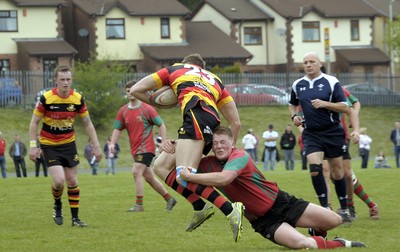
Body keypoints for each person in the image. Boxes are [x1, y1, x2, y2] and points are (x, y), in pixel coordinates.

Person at [178, 126, 366, 249]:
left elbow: (224, 178)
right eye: (215, 144)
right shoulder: (206, 164)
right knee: (303, 243)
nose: (219, 147)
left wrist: (189, 176)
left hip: (282, 202)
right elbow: (171, 164)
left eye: (223, 142)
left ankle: (316, 230)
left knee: (335, 220)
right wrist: (176, 144)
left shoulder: (240, 155)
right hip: (263, 220)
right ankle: (339, 243)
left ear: (232, 143)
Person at [130, 53, 243, 242]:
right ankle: (200, 206)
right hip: (208, 118)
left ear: (185, 63)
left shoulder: (175, 69)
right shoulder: (215, 80)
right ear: (202, 67)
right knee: (161, 166)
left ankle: (231, 209)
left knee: (184, 174)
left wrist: (157, 102)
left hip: (195, 113)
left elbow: (136, 89)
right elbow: (236, 123)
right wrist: (229, 150)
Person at [29, 65, 103, 227]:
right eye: (62, 79)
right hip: (49, 144)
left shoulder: (77, 99)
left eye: (68, 79)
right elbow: (34, 122)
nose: (65, 83)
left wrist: (96, 146)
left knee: (72, 181)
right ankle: (57, 204)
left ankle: (75, 219)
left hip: (68, 144)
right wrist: (33, 145)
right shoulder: (46, 98)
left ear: (72, 81)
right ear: (55, 80)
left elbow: (87, 123)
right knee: (59, 180)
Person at [288, 51, 351, 224]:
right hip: (311, 133)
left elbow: (345, 106)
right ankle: (325, 208)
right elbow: (292, 104)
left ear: (320, 64)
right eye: (305, 62)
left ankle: (344, 208)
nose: (308, 65)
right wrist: (294, 117)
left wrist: (325, 104)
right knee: (315, 169)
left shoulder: (331, 81)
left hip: (332, 132)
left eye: (311, 62)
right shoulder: (298, 84)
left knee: (338, 172)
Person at [110, 80, 177, 212]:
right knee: (149, 177)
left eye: (133, 89)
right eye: (128, 90)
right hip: (135, 150)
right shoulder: (123, 111)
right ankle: (169, 199)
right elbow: (117, 129)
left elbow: (161, 125)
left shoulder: (147, 109)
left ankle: (139, 205)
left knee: (136, 172)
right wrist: (112, 143)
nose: (130, 92)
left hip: (146, 148)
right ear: (126, 92)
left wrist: (164, 142)